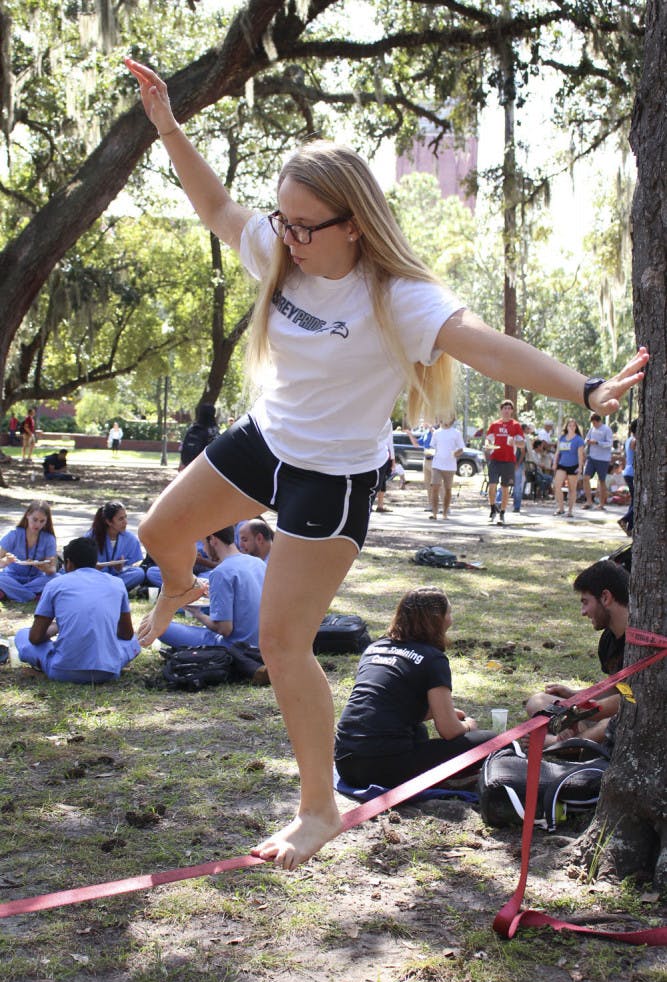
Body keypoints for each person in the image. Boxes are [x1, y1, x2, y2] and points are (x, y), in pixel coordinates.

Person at [125, 55, 647, 870]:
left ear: (352, 225)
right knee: (158, 532)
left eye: (306, 227)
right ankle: (180, 585)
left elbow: (484, 349)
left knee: (282, 642)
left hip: (330, 479)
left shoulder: (396, 297)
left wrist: (582, 387)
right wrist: (166, 124)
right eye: (283, 222)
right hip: (264, 439)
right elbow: (218, 206)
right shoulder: (279, 247)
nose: (286, 240)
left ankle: (316, 806)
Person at [335, 587, 495, 789]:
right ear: (438, 620)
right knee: (493, 740)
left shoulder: (374, 648)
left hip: (345, 763)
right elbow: (449, 731)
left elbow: (385, 704)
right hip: (384, 767)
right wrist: (468, 725)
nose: (451, 619)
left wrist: (438, 713)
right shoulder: (433, 658)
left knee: (418, 730)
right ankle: (447, 778)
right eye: (449, 613)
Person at [525, 560, 628, 746]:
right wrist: (574, 695)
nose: (583, 612)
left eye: (585, 602)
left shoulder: (645, 638)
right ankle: (580, 742)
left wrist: (576, 711)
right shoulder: (608, 640)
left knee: (609, 724)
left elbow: (632, 698)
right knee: (537, 702)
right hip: (605, 713)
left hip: (631, 716)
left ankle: (561, 744)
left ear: (605, 597)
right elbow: (618, 688)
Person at [13, 537, 141, 683]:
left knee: (22, 635)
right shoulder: (117, 583)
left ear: (68, 564)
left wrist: (56, 627)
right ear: (96, 563)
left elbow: (35, 637)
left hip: (62, 671)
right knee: (134, 641)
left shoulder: (55, 584)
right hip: (108, 671)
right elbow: (126, 634)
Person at [158, 527, 266, 649]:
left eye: (204, 543)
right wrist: (213, 594)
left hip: (235, 647)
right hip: (263, 643)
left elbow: (224, 629)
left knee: (162, 627)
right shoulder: (258, 562)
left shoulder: (221, 572)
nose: (204, 549)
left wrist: (196, 613)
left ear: (213, 540)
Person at [0, 500, 58, 602]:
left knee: (56, 578)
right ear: (27, 515)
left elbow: (52, 569)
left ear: (47, 521)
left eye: (42, 521)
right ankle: (32, 596)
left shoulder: (49, 539)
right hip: (12, 577)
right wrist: (5, 562)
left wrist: (45, 568)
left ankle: (13, 593)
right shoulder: (14, 535)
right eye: (34, 520)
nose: (38, 524)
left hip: (35, 579)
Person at [87, 501, 145, 593]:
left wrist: (120, 569)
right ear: (109, 522)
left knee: (139, 573)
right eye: (121, 519)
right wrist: (95, 567)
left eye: (126, 517)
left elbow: (132, 566)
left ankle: (105, 589)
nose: (125, 522)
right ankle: (112, 589)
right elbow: (81, 567)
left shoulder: (130, 539)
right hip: (97, 577)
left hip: (117, 578)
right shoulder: (90, 537)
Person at [485, 400, 524, 525]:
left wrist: (515, 443)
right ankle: (492, 509)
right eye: (504, 408)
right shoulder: (494, 424)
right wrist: (488, 446)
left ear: (512, 411)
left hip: (508, 460)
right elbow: (488, 440)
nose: (507, 410)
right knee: (492, 485)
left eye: (509, 408)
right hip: (495, 459)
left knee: (505, 487)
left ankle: (502, 512)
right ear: (501, 410)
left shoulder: (516, 425)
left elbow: (522, 444)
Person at [429, 417, 464, 520]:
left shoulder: (456, 433)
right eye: (444, 416)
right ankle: (434, 513)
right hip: (437, 465)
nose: (446, 419)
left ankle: (445, 513)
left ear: (452, 419)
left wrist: (456, 453)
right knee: (435, 487)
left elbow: (461, 449)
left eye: (448, 417)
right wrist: (429, 452)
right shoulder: (436, 433)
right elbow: (432, 447)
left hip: (450, 466)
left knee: (448, 489)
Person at [552, 418, 585, 518]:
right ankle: (561, 508)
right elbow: (558, 452)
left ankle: (570, 511)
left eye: (573, 425)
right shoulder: (562, 438)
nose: (571, 427)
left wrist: (580, 467)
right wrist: (554, 463)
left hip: (573, 466)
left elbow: (580, 455)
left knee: (572, 489)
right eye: (569, 425)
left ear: (576, 427)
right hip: (562, 465)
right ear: (566, 427)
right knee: (557, 485)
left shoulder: (579, 439)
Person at [582, 413, 613, 510]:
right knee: (586, 477)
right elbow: (586, 438)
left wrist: (597, 443)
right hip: (591, 457)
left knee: (602, 480)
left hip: (603, 459)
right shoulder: (592, 429)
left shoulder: (607, 429)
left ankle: (602, 504)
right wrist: (587, 441)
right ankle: (589, 501)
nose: (594, 425)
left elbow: (609, 443)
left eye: (594, 423)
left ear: (598, 421)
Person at [179, 402, 219, 470]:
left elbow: (185, 447)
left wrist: (182, 464)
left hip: (189, 467)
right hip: (206, 467)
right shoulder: (214, 432)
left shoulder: (193, 429)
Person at [618, 418, 637, 536]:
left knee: (634, 500)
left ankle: (630, 527)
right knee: (637, 501)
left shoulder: (629, 440)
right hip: (633, 473)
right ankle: (625, 519)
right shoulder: (635, 441)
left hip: (628, 472)